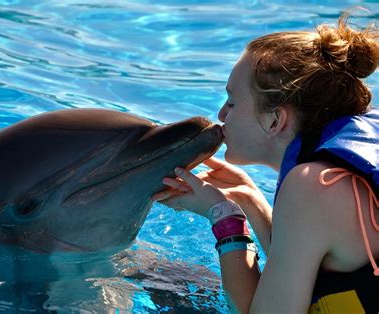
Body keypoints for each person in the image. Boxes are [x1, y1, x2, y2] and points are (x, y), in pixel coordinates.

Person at [152, 15, 378, 313]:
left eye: (232, 102)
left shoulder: (314, 185)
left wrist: (224, 217)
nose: (221, 114)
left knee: (157, 280)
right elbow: (308, 259)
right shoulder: (343, 165)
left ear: (275, 120)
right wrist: (250, 199)